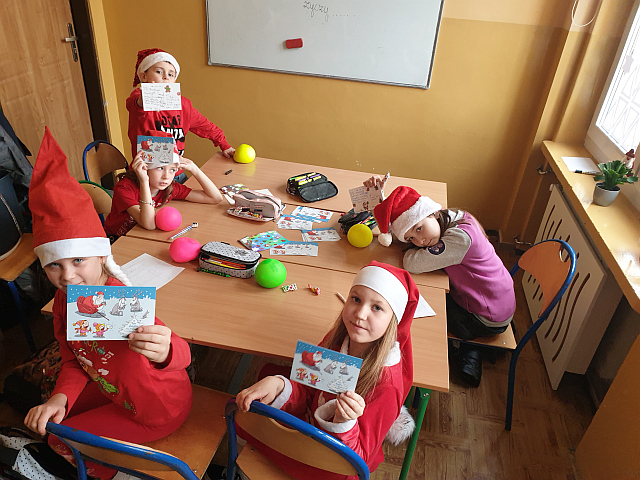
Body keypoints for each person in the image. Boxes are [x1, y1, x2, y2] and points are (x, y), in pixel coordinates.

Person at [24, 128, 193, 480]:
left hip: (157, 409)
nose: (67, 276)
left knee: (58, 439)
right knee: (54, 415)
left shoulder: (119, 298)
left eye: (78, 261)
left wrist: (165, 351)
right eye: (54, 265)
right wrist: (60, 397)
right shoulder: (63, 301)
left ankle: (113, 473)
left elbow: (181, 354)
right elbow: (73, 358)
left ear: (102, 256)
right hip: (115, 391)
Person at [236, 261, 431, 479]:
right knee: (264, 384)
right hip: (308, 434)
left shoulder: (387, 385)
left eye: (377, 307)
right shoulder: (338, 340)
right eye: (356, 299)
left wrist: (344, 422)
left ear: (393, 321)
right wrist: (280, 385)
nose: (360, 314)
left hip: (332, 466)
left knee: (249, 423)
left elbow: (358, 459)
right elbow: (308, 389)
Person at [367, 177, 516, 387]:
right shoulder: (453, 216)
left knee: (415, 312)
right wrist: (381, 203)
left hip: (485, 317)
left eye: (419, 229)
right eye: (411, 238)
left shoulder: (460, 239)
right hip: (496, 298)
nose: (420, 241)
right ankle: (470, 350)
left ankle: (463, 352)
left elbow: (412, 263)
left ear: (433, 213)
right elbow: (412, 235)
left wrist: (410, 247)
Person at [127, 48, 235, 183]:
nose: (166, 77)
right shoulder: (138, 98)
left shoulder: (183, 105)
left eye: (171, 74)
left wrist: (224, 144)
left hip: (174, 174)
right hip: (145, 175)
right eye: (159, 72)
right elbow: (136, 106)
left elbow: (204, 125)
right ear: (143, 76)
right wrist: (147, 98)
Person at [103, 130, 223, 239]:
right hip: (117, 239)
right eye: (160, 168)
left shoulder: (169, 188)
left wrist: (194, 169)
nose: (166, 176)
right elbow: (149, 224)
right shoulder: (125, 188)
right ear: (145, 167)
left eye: (172, 170)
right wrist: (144, 181)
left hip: (144, 236)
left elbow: (215, 198)